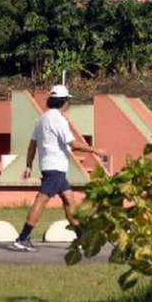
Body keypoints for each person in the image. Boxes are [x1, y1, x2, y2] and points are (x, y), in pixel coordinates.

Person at [9, 84, 107, 252]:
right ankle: (22, 238)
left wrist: (28, 165)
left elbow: (32, 145)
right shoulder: (58, 119)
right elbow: (72, 143)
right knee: (41, 200)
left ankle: (81, 238)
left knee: (70, 202)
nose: (68, 104)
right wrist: (95, 150)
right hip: (55, 167)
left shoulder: (42, 119)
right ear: (63, 101)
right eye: (67, 100)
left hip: (52, 167)